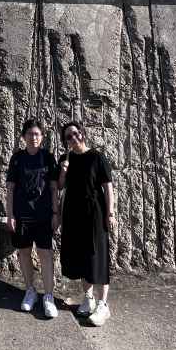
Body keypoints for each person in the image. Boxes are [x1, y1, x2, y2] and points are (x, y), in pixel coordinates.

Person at [58, 121, 116, 326]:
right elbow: (60, 186)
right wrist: (63, 171)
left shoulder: (97, 157)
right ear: (65, 141)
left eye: (75, 134)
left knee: (97, 255)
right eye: (68, 137)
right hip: (74, 213)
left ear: (82, 133)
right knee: (82, 256)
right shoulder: (66, 158)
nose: (73, 138)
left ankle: (103, 304)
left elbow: (108, 187)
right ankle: (89, 298)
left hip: (95, 212)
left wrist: (110, 213)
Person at [6, 118, 60, 318]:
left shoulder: (48, 158)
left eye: (37, 134)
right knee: (24, 253)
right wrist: (10, 215)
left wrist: (56, 213)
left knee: (46, 254)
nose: (34, 137)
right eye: (30, 134)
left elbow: (54, 188)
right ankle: (30, 291)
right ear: (23, 137)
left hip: (44, 215)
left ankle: (48, 296)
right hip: (22, 215)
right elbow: (10, 189)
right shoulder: (17, 158)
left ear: (42, 137)